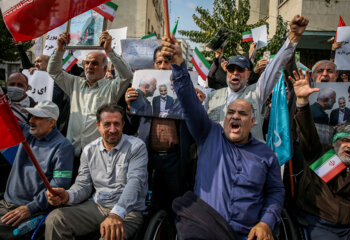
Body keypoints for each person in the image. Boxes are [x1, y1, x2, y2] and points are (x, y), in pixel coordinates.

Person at [162, 33, 284, 240]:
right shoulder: (209, 135)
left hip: (248, 233)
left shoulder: (266, 154)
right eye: (231, 113)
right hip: (203, 227)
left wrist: (266, 222)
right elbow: (189, 101)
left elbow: (275, 193)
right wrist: (179, 65)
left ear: (253, 121)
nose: (235, 116)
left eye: (242, 113)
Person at [45, 103, 147, 240]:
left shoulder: (136, 146)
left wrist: (116, 214)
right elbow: (83, 185)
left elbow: (135, 182)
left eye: (116, 124)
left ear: (123, 124)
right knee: (56, 219)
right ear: (98, 125)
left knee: (110, 236)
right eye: (107, 124)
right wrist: (67, 195)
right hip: (97, 206)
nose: (112, 129)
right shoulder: (89, 150)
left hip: (128, 211)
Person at [206, 15, 308, 141]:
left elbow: (274, 67)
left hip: (249, 158)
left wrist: (292, 39)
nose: (235, 73)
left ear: (248, 74)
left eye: (240, 70)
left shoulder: (257, 92)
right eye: (231, 69)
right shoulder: (211, 98)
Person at [124, 46, 197, 217]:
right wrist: (129, 107)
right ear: (154, 65)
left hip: (175, 159)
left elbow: (196, 127)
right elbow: (130, 128)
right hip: (148, 158)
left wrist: (196, 105)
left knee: (177, 206)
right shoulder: (142, 91)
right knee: (148, 205)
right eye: (159, 62)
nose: (163, 65)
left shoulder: (186, 90)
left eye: (168, 61)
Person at [289, 69, 350, 240]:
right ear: (335, 143)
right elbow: (307, 131)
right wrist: (302, 101)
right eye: (345, 141)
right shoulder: (320, 154)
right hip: (318, 224)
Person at [48, 31, 133, 160]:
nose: (90, 66)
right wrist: (60, 49)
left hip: (98, 157)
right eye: (87, 63)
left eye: (95, 63)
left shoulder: (111, 88)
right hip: (72, 153)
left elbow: (126, 75)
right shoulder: (75, 83)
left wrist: (109, 50)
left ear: (105, 69)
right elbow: (53, 71)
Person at [0, 100, 74, 240]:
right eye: (31, 116)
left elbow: (59, 185)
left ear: (51, 122)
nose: (31, 121)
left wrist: (31, 208)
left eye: (37, 117)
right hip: (6, 203)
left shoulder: (63, 147)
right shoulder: (26, 133)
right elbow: (5, 119)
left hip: (28, 211)